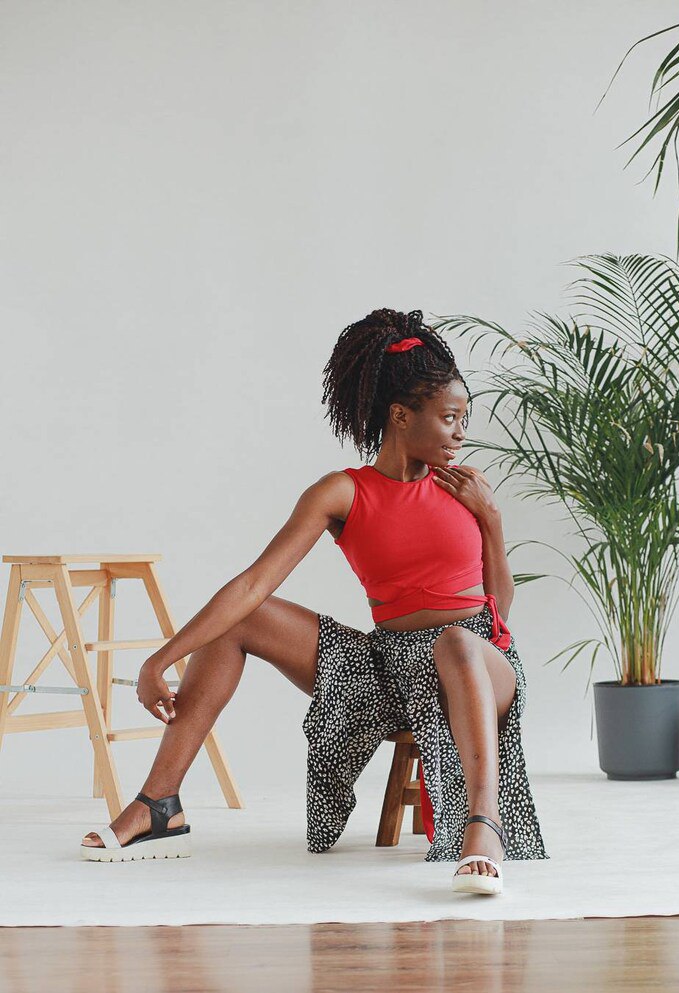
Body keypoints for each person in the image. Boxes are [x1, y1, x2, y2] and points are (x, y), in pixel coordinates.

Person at [80, 307, 549, 894]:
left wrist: (493, 519)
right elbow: (254, 583)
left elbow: (498, 608)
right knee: (242, 618)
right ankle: (159, 804)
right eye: (450, 418)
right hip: (387, 671)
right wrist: (160, 660)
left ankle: (484, 823)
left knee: (457, 640)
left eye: (464, 419)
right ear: (401, 416)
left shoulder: (466, 490)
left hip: (477, 662)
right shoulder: (342, 493)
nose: (461, 433)